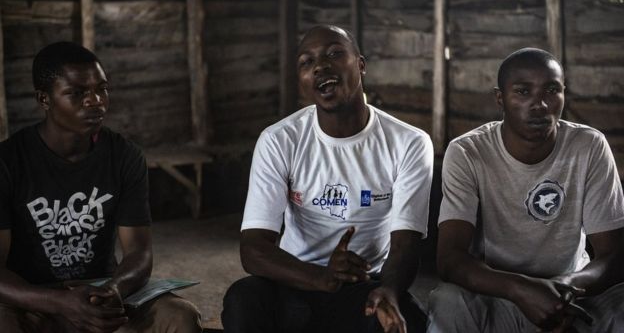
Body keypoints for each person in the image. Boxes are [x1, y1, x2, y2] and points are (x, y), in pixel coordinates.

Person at [221, 25, 433, 333]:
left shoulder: (409, 143)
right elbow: (253, 249)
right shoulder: (280, 140)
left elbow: (405, 245)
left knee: (406, 320)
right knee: (242, 300)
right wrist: (321, 278)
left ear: (361, 65)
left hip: (366, 285)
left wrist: (388, 291)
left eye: (334, 53)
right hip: (297, 280)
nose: (320, 66)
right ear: (302, 82)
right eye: (307, 62)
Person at [0, 42, 202, 332]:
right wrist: (60, 302)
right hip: (35, 299)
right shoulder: (8, 162)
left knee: (180, 316)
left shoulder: (124, 156)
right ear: (44, 99)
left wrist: (114, 290)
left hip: (101, 292)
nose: (95, 100)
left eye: (102, 89)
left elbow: (139, 253)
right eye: (77, 93)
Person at [428, 47, 624, 333]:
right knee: (447, 301)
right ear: (500, 98)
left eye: (551, 90)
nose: (540, 104)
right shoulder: (469, 151)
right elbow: (450, 260)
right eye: (523, 91)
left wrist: (565, 288)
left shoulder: (588, 146)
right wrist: (521, 290)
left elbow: (612, 255)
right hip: (500, 295)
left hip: (573, 296)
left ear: (564, 94)